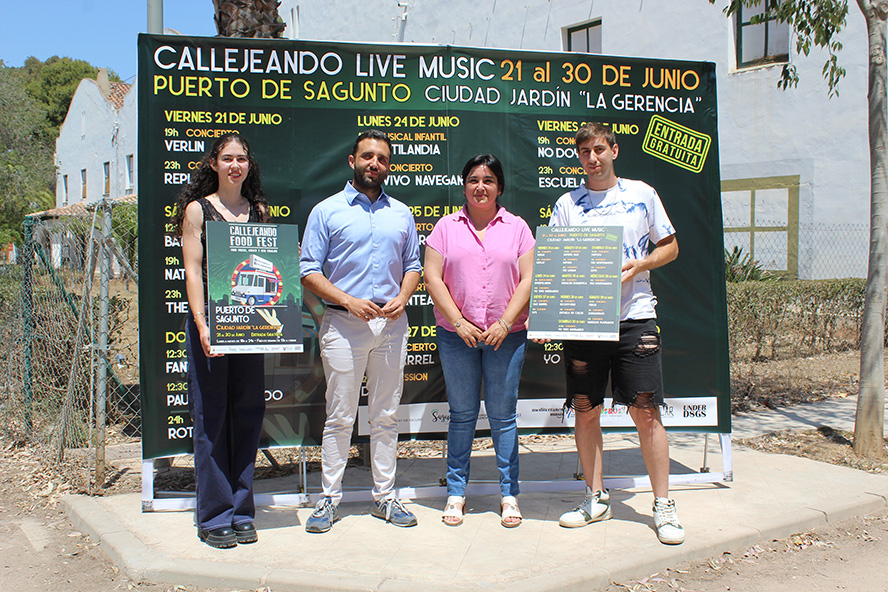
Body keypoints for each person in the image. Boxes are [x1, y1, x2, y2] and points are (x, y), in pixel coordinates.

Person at [547, 122, 683, 544]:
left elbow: (671, 246)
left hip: (635, 317)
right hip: (586, 322)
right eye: (585, 151)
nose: (592, 157)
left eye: (599, 149)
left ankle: (663, 506)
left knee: (646, 412)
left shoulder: (642, 194)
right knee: (586, 409)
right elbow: (556, 265)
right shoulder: (567, 204)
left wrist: (639, 265)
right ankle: (595, 497)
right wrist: (549, 317)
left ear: (614, 150)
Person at [300, 130, 421, 533]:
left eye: (382, 159)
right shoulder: (326, 211)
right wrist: (348, 301)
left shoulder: (401, 213)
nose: (374, 163)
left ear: (389, 166)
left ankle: (384, 497)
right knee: (339, 416)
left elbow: (413, 265)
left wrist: (404, 296)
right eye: (367, 156)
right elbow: (308, 270)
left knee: (386, 416)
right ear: (352, 161)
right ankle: (327, 500)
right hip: (343, 324)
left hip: (391, 325)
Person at [424, 154, 535, 528]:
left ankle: (509, 494)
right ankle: (456, 494)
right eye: (473, 179)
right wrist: (458, 322)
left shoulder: (518, 228)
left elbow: (528, 279)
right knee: (462, 416)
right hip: (458, 338)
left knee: (504, 418)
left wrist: (505, 322)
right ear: (464, 185)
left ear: (499, 186)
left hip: (508, 336)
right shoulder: (445, 227)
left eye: (488, 180)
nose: (480, 186)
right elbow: (432, 277)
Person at [175, 133, 270, 549]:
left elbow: (272, 268)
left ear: (249, 165)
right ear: (214, 164)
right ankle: (214, 515)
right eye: (227, 158)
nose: (235, 165)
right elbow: (193, 271)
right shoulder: (198, 211)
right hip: (212, 325)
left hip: (251, 326)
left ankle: (242, 509)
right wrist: (201, 323)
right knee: (211, 418)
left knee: (248, 415)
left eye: (242, 159)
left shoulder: (260, 211)